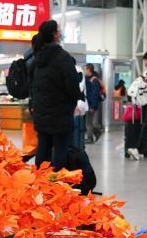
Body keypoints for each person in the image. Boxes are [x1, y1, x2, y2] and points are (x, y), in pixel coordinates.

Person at [31, 20, 82, 171]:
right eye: (59, 29)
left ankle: (40, 180)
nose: (61, 32)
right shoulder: (63, 57)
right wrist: (75, 100)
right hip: (60, 113)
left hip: (41, 111)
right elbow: (72, 85)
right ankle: (57, 184)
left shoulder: (38, 58)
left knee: (43, 146)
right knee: (60, 148)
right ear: (55, 34)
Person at [84, 64, 106, 143]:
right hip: (88, 103)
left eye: (85, 69)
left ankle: (91, 137)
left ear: (89, 70)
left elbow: (95, 94)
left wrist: (93, 106)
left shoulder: (94, 80)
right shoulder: (88, 79)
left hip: (91, 104)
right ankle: (96, 132)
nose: (84, 71)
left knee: (88, 122)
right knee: (88, 121)